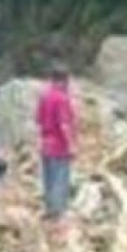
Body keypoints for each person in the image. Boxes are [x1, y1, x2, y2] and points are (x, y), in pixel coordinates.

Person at [36, 61, 77, 234]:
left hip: (45, 144)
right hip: (59, 145)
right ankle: (57, 215)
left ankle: (48, 210)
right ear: (65, 80)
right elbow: (64, 124)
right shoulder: (61, 98)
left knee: (48, 179)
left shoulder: (44, 96)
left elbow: (38, 120)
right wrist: (71, 145)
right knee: (60, 180)